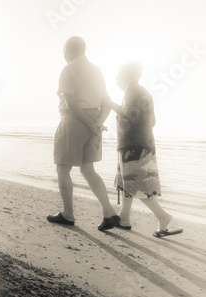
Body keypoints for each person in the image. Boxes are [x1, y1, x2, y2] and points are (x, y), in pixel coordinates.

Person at [47, 36, 120, 231]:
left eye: (63, 50)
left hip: (73, 122)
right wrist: (97, 123)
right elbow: (106, 102)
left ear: (69, 50)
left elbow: (71, 103)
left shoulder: (69, 68)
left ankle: (68, 214)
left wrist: (90, 123)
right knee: (88, 169)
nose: (63, 54)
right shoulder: (97, 70)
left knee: (62, 168)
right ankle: (109, 211)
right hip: (93, 121)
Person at [105, 61, 183, 237]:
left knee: (136, 185)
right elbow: (152, 121)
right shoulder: (145, 92)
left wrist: (109, 103)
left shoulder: (130, 91)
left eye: (118, 75)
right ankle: (124, 219)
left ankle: (163, 216)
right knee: (130, 183)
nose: (116, 78)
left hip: (134, 146)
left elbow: (129, 114)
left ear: (126, 76)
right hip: (144, 144)